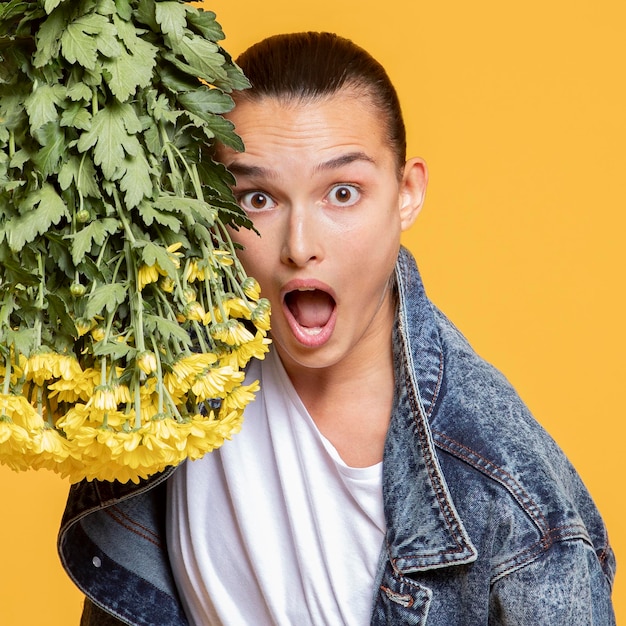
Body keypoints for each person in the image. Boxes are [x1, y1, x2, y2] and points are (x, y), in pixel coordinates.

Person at [58, 32, 616, 625]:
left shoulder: (506, 488)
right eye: (257, 199)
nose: (300, 247)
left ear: (407, 194)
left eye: (342, 193)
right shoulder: (163, 369)